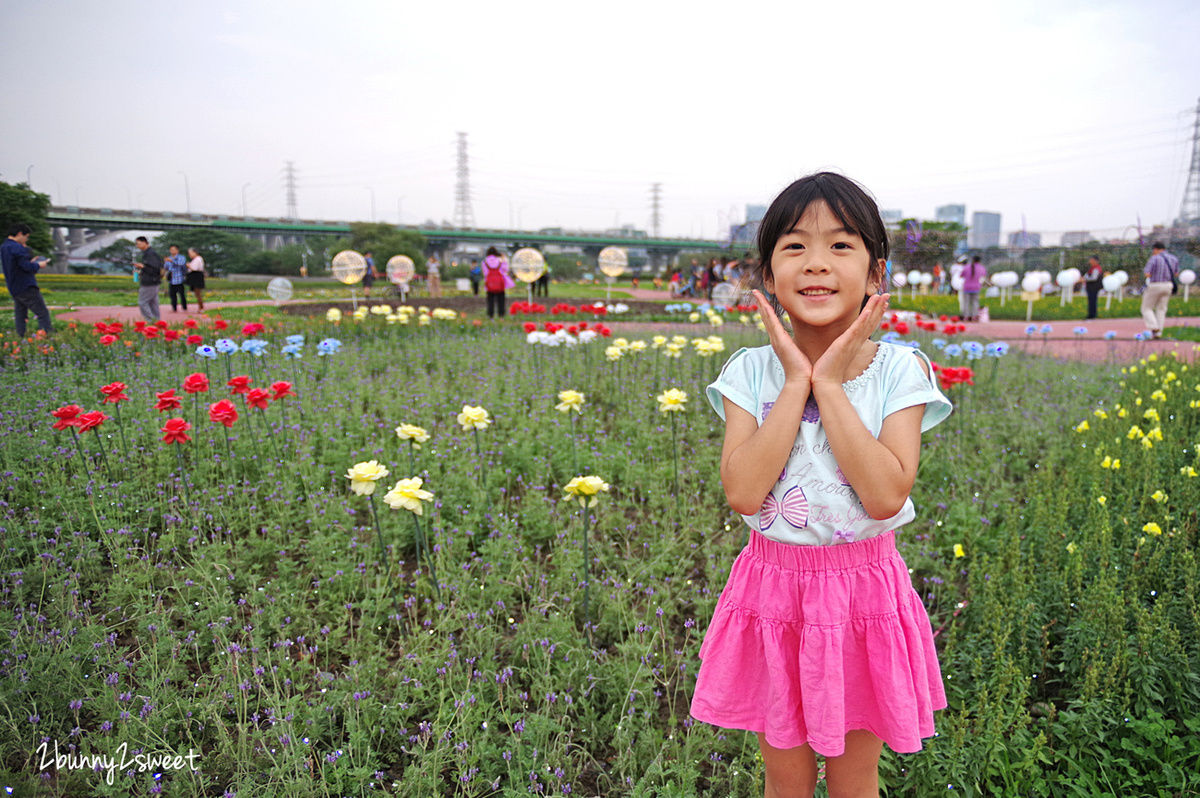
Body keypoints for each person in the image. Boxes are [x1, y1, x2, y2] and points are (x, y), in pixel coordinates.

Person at [692, 172, 952, 798]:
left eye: (841, 245)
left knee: (854, 775)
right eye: (794, 247)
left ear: (876, 273)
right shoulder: (750, 371)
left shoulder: (899, 369)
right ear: (767, 275)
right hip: (772, 589)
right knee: (783, 774)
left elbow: (886, 495)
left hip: (862, 592)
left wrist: (829, 384)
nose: (817, 264)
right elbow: (746, 493)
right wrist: (795, 381)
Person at [1, 222, 54, 337]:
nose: (26, 240)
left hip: (14, 286)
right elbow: (27, 267)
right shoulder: (17, 248)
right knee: (42, 314)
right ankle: (46, 338)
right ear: (20, 234)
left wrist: (29, 261)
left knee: (20, 315)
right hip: (26, 286)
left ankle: (20, 338)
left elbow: (18, 265)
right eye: (26, 237)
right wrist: (39, 264)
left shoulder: (4, 247)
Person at [1141, 242, 1179, 339]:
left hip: (1155, 284)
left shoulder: (1154, 258)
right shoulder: (1173, 258)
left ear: (1155, 249)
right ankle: (1159, 333)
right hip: (1168, 285)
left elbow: (1147, 273)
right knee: (1161, 309)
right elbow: (1176, 274)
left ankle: (1154, 327)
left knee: (1146, 308)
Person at [133, 236, 164, 322]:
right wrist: (141, 271)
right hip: (153, 281)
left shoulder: (150, 253)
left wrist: (142, 266)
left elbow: (154, 269)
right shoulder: (148, 253)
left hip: (150, 282)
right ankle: (157, 321)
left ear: (144, 242)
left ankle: (151, 321)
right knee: (153, 303)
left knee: (142, 302)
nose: (137, 246)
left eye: (138, 244)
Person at [482, 246, 511, 318]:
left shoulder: (484, 262)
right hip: (500, 283)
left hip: (490, 283)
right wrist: (504, 259)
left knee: (490, 300)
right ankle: (501, 315)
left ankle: (490, 315)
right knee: (501, 300)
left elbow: (485, 273)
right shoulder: (500, 261)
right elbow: (506, 270)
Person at [961, 255, 987, 322]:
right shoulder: (981, 268)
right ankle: (974, 316)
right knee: (975, 302)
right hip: (976, 287)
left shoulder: (966, 267)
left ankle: (965, 317)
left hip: (966, 287)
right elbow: (983, 275)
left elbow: (961, 275)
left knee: (966, 303)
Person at [164, 244, 188, 312]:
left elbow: (181, 264)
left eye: (174, 250)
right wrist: (166, 262)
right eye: (171, 250)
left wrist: (172, 261)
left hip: (179, 279)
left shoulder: (181, 257)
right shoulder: (169, 258)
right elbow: (166, 267)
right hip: (172, 279)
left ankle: (184, 307)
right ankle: (174, 308)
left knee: (182, 294)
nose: (172, 251)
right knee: (172, 295)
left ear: (177, 250)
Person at [1082, 255, 1104, 320]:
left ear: (1095, 261)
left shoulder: (1096, 269)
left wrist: (1085, 279)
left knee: (1092, 301)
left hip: (1093, 287)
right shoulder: (1093, 268)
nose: (1090, 261)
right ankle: (1091, 314)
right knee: (1091, 301)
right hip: (1091, 287)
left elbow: (1094, 278)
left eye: (1091, 260)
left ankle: (1092, 315)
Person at [185, 247, 206, 312]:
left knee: (198, 293)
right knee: (197, 293)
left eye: (190, 253)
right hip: (194, 276)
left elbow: (194, 268)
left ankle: (201, 307)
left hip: (197, 276)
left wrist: (188, 266)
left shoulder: (198, 259)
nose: (189, 255)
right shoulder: (195, 259)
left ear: (195, 252)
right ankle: (200, 307)